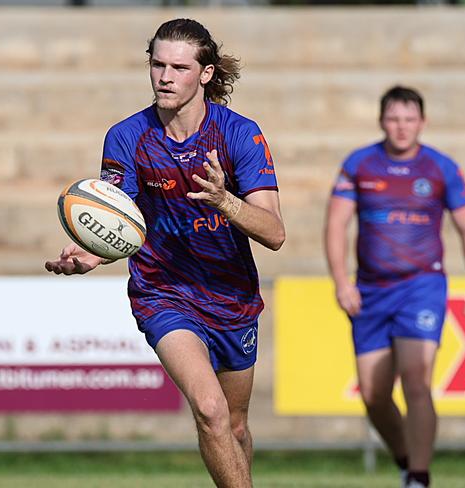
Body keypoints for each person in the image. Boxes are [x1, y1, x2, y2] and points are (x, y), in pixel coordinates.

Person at [45, 18, 285, 488]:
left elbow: (274, 232)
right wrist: (91, 256)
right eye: (157, 64)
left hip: (231, 294)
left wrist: (224, 200)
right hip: (164, 292)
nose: (165, 76)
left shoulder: (239, 135)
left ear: (206, 74)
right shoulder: (127, 137)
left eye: (179, 66)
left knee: (234, 425)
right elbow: (122, 223)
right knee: (210, 410)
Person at [325, 85, 465, 488]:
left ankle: (419, 476)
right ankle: (405, 461)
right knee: (373, 395)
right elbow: (336, 224)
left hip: (422, 287)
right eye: (394, 119)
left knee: (417, 381)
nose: (401, 128)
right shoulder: (360, 164)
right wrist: (341, 281)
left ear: (423, 122)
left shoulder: (441, 168)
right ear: (382, 121)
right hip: (370, 292)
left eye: (409, 119)